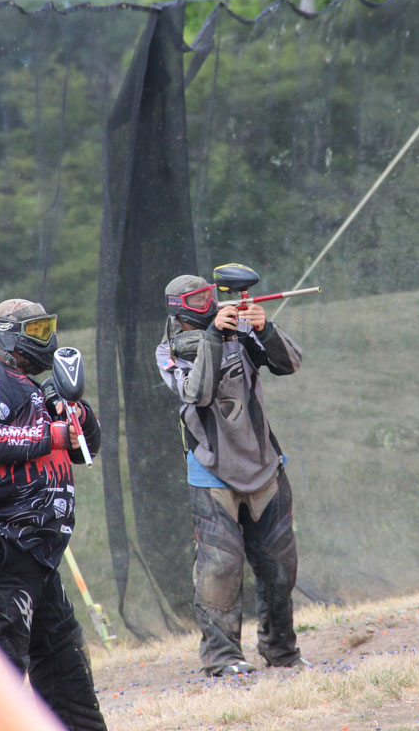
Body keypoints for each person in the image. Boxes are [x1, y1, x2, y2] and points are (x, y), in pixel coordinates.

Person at [0, 298, 106, 731]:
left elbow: (85, 448)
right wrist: (54, 433)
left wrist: (78, 417)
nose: (47, 339)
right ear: (6, 335)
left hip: (32, 549)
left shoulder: (33, 388)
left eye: (48, 328)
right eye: (35, 331)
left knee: (65, 667)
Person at [155, 274, 310, 677]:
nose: (207, 303)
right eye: (197, 299)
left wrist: (264, 327)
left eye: (209, 295)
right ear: (178, 308)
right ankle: (223, 658)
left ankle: (281, 650)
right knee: (219, 568)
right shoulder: (169, 350)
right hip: (212, 473)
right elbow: (198, 393)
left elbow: (290, 364)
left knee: (280, 566)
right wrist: (214, 338)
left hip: (264, 466)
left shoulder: (241, 332)